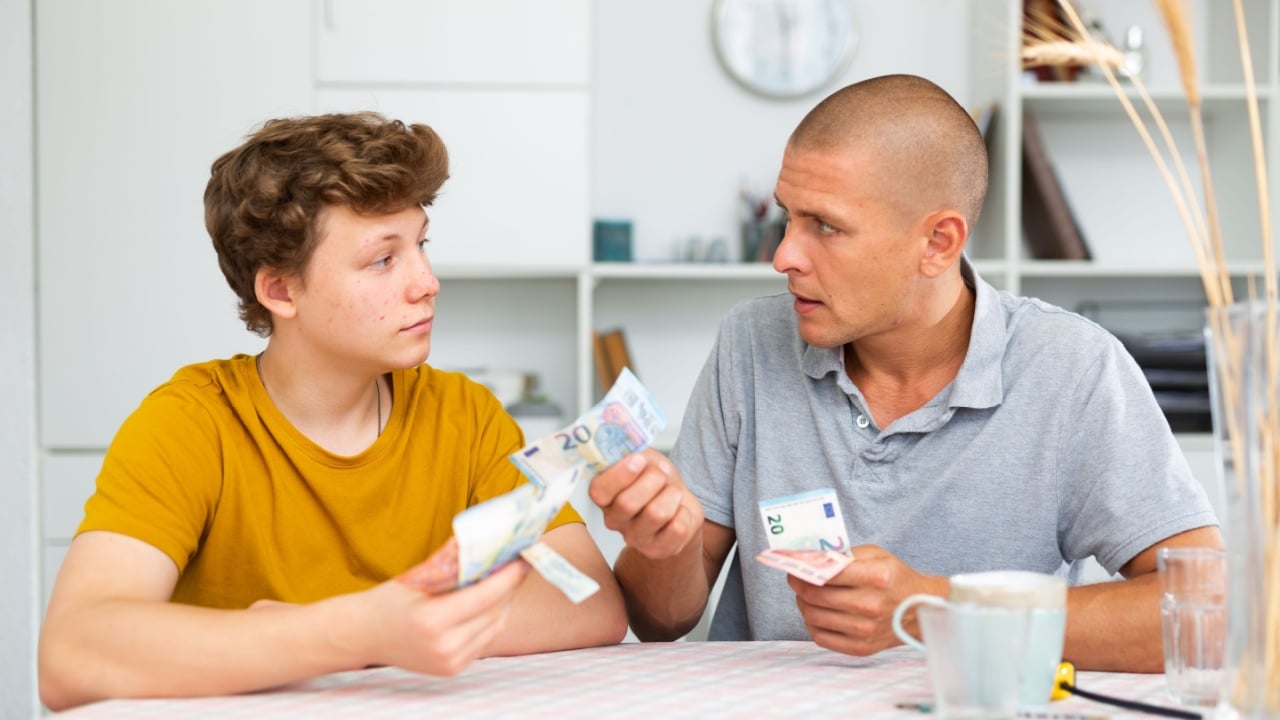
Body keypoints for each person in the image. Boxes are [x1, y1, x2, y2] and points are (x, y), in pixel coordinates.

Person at [589, 74, 1221, 672]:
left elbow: (1204, 612)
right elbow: (660, 619)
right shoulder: (750, 342)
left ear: (938, 243)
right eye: (788, 216)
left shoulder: (1072, 368)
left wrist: (932, 612)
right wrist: (664, 547)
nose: (783, 256)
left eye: (826, 226)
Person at [38, 112, 627, 711]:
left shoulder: (465, 416)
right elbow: (72, 653)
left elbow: (590, 598)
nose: (427, 282)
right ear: (280, 291)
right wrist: (360, 631)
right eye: (383, 259)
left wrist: (385, 632)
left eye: (421, 245)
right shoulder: (191, 423)